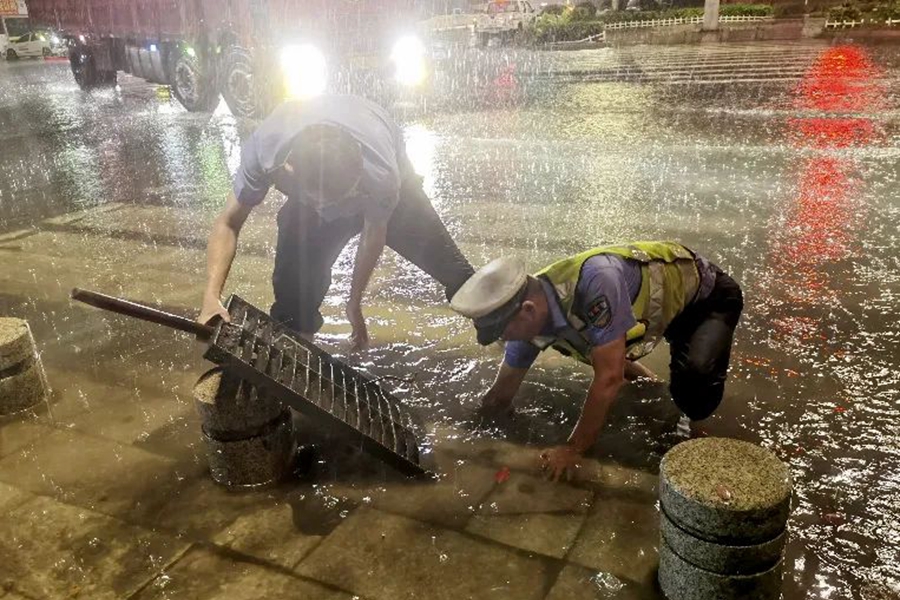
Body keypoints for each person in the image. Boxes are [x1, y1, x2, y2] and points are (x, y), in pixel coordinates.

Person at [450, 241, 743, 481]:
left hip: (707, 299)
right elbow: (503, 391)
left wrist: (573, 448)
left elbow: (609, 378)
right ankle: (653, 386)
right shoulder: (534, 312)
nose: (505, 340)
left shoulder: (595, 282)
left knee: (692, 390)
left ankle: (692, 417)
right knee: (595, 345)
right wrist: (473, 428)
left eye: (504, 332)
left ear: (527, 310)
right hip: (661, 309)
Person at [198, 95, 474, 348]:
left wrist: (354, 303)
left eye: (346, 195)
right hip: (313, 201)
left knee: (454, 270)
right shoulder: (264, 152)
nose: (341, 212)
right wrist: (210, 297)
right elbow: (228, 223)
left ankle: (509, 329)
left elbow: (373, 235)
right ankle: (296, 346)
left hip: (385, 189)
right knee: (294, 296)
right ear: (289, 171)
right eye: (328, 202)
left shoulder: (381, 174)